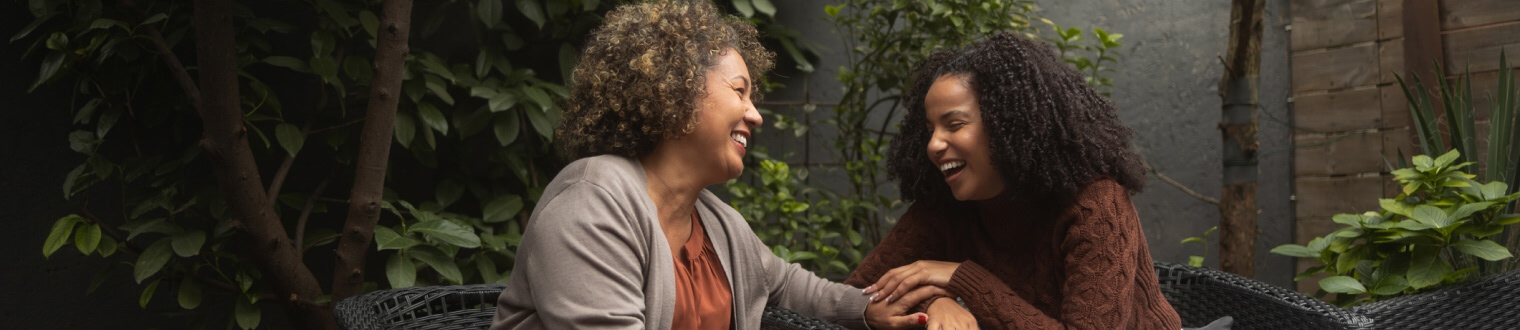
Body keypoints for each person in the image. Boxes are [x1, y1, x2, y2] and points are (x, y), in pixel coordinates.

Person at [491, 2, 932, 329]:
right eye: (740, 91)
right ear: (674, 91)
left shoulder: (718, 224)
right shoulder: (593, 203)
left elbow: (792, 287)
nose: (755, 113)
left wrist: (870, 309)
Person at [844, 32, 1183, 330]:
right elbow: (851, 295)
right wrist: (933, 303)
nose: (933, 144)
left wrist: (963, 278)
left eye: (954, 124)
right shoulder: (946, 207)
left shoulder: (1095, 204)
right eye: (930, 129)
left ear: (1010, 124)